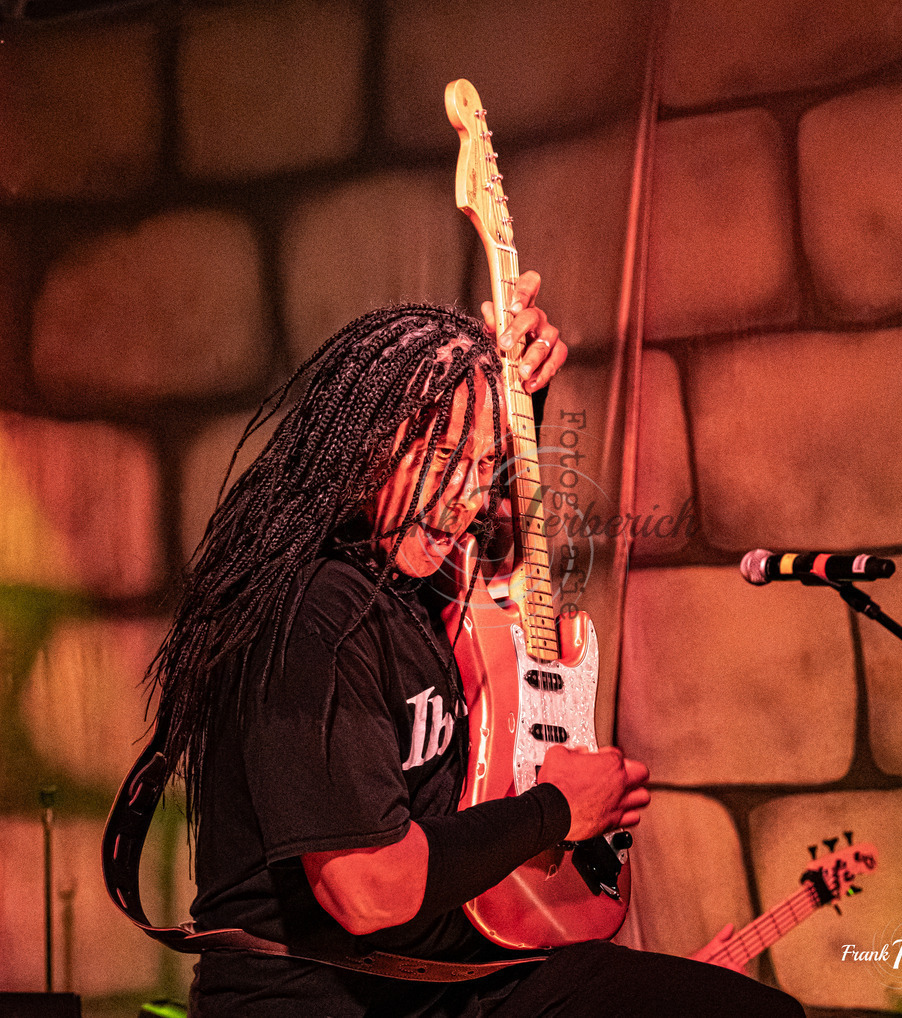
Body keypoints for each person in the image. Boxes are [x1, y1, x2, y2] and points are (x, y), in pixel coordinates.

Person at [148, 273, 806, 1017]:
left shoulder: (406, 576)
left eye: (482, 466)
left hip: (460, 982)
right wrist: (555, 809)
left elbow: (505, 558)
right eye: (442, 460)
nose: (465, 499)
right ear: (365, 447)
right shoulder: (312, 615)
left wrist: (521, 408)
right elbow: (368, 889)